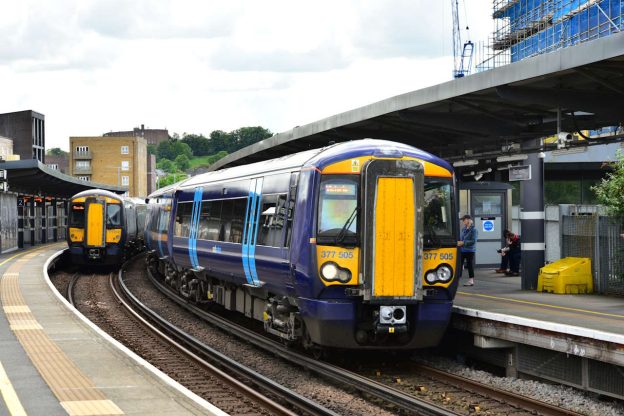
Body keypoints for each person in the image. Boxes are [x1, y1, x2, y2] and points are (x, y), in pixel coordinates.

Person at [457, 214, 478, 286]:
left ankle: (471, 281)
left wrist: (463, 242)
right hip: (462, 249)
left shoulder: (474, 230)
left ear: (469, 220)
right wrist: (459, 242)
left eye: (464, 220)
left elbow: (473, 241)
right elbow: (461, 238)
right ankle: (457, 280)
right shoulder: (463, 229)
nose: (463, 221)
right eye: (462, 220)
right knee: (459, 264)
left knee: (469, 265)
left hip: (470, 250)